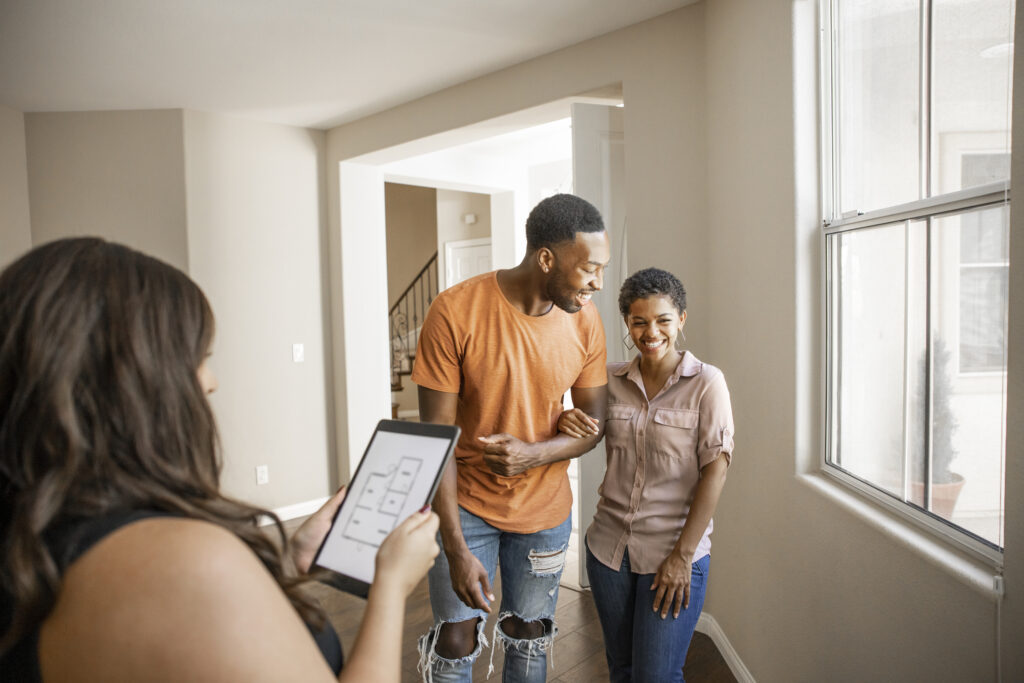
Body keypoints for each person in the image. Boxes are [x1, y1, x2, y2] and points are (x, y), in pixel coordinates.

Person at [0, 237, 440, 682]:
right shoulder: (186, 564)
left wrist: (292, 560)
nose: (210, 382)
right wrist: (390, 586)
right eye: (198, 359)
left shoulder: (33, 535)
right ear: (137, 383)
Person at [412, 194, 611, 682]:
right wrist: (456, 548)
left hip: (543, 513)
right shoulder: (454, 311)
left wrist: (535, 454)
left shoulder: (585, 321)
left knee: (530, 636)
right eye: (588, 268)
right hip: (466, 508)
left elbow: (594, 424)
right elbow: (435, 441)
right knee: (455, 638)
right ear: (546, 258)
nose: (598, 283)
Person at [557, 267, 734, 683]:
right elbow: (584, 432)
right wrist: (566, 420)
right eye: (639, 322)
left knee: (656, 676)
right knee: (622, 670)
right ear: (627, 324)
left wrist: (682, 558)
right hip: (608, 551)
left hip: (672, 553)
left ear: (681, 320)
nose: (650, 332)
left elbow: (716, 473)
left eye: (662, 320)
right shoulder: (608, 380)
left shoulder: (707, 384)